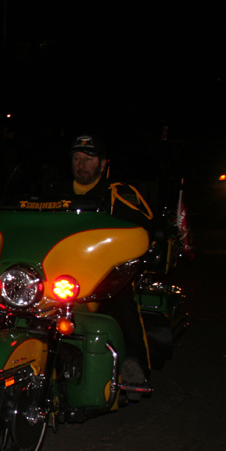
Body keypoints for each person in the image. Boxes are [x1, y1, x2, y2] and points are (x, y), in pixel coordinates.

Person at [54, 134, 154, 399]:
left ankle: (134, 365)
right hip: (61, 270)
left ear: (103, 164)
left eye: (89, 159)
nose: (82, 164)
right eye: (77, 158)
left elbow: (144, 228)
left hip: (104, 272)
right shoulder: (56, 194)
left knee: (121, 301)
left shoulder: (118, 194)